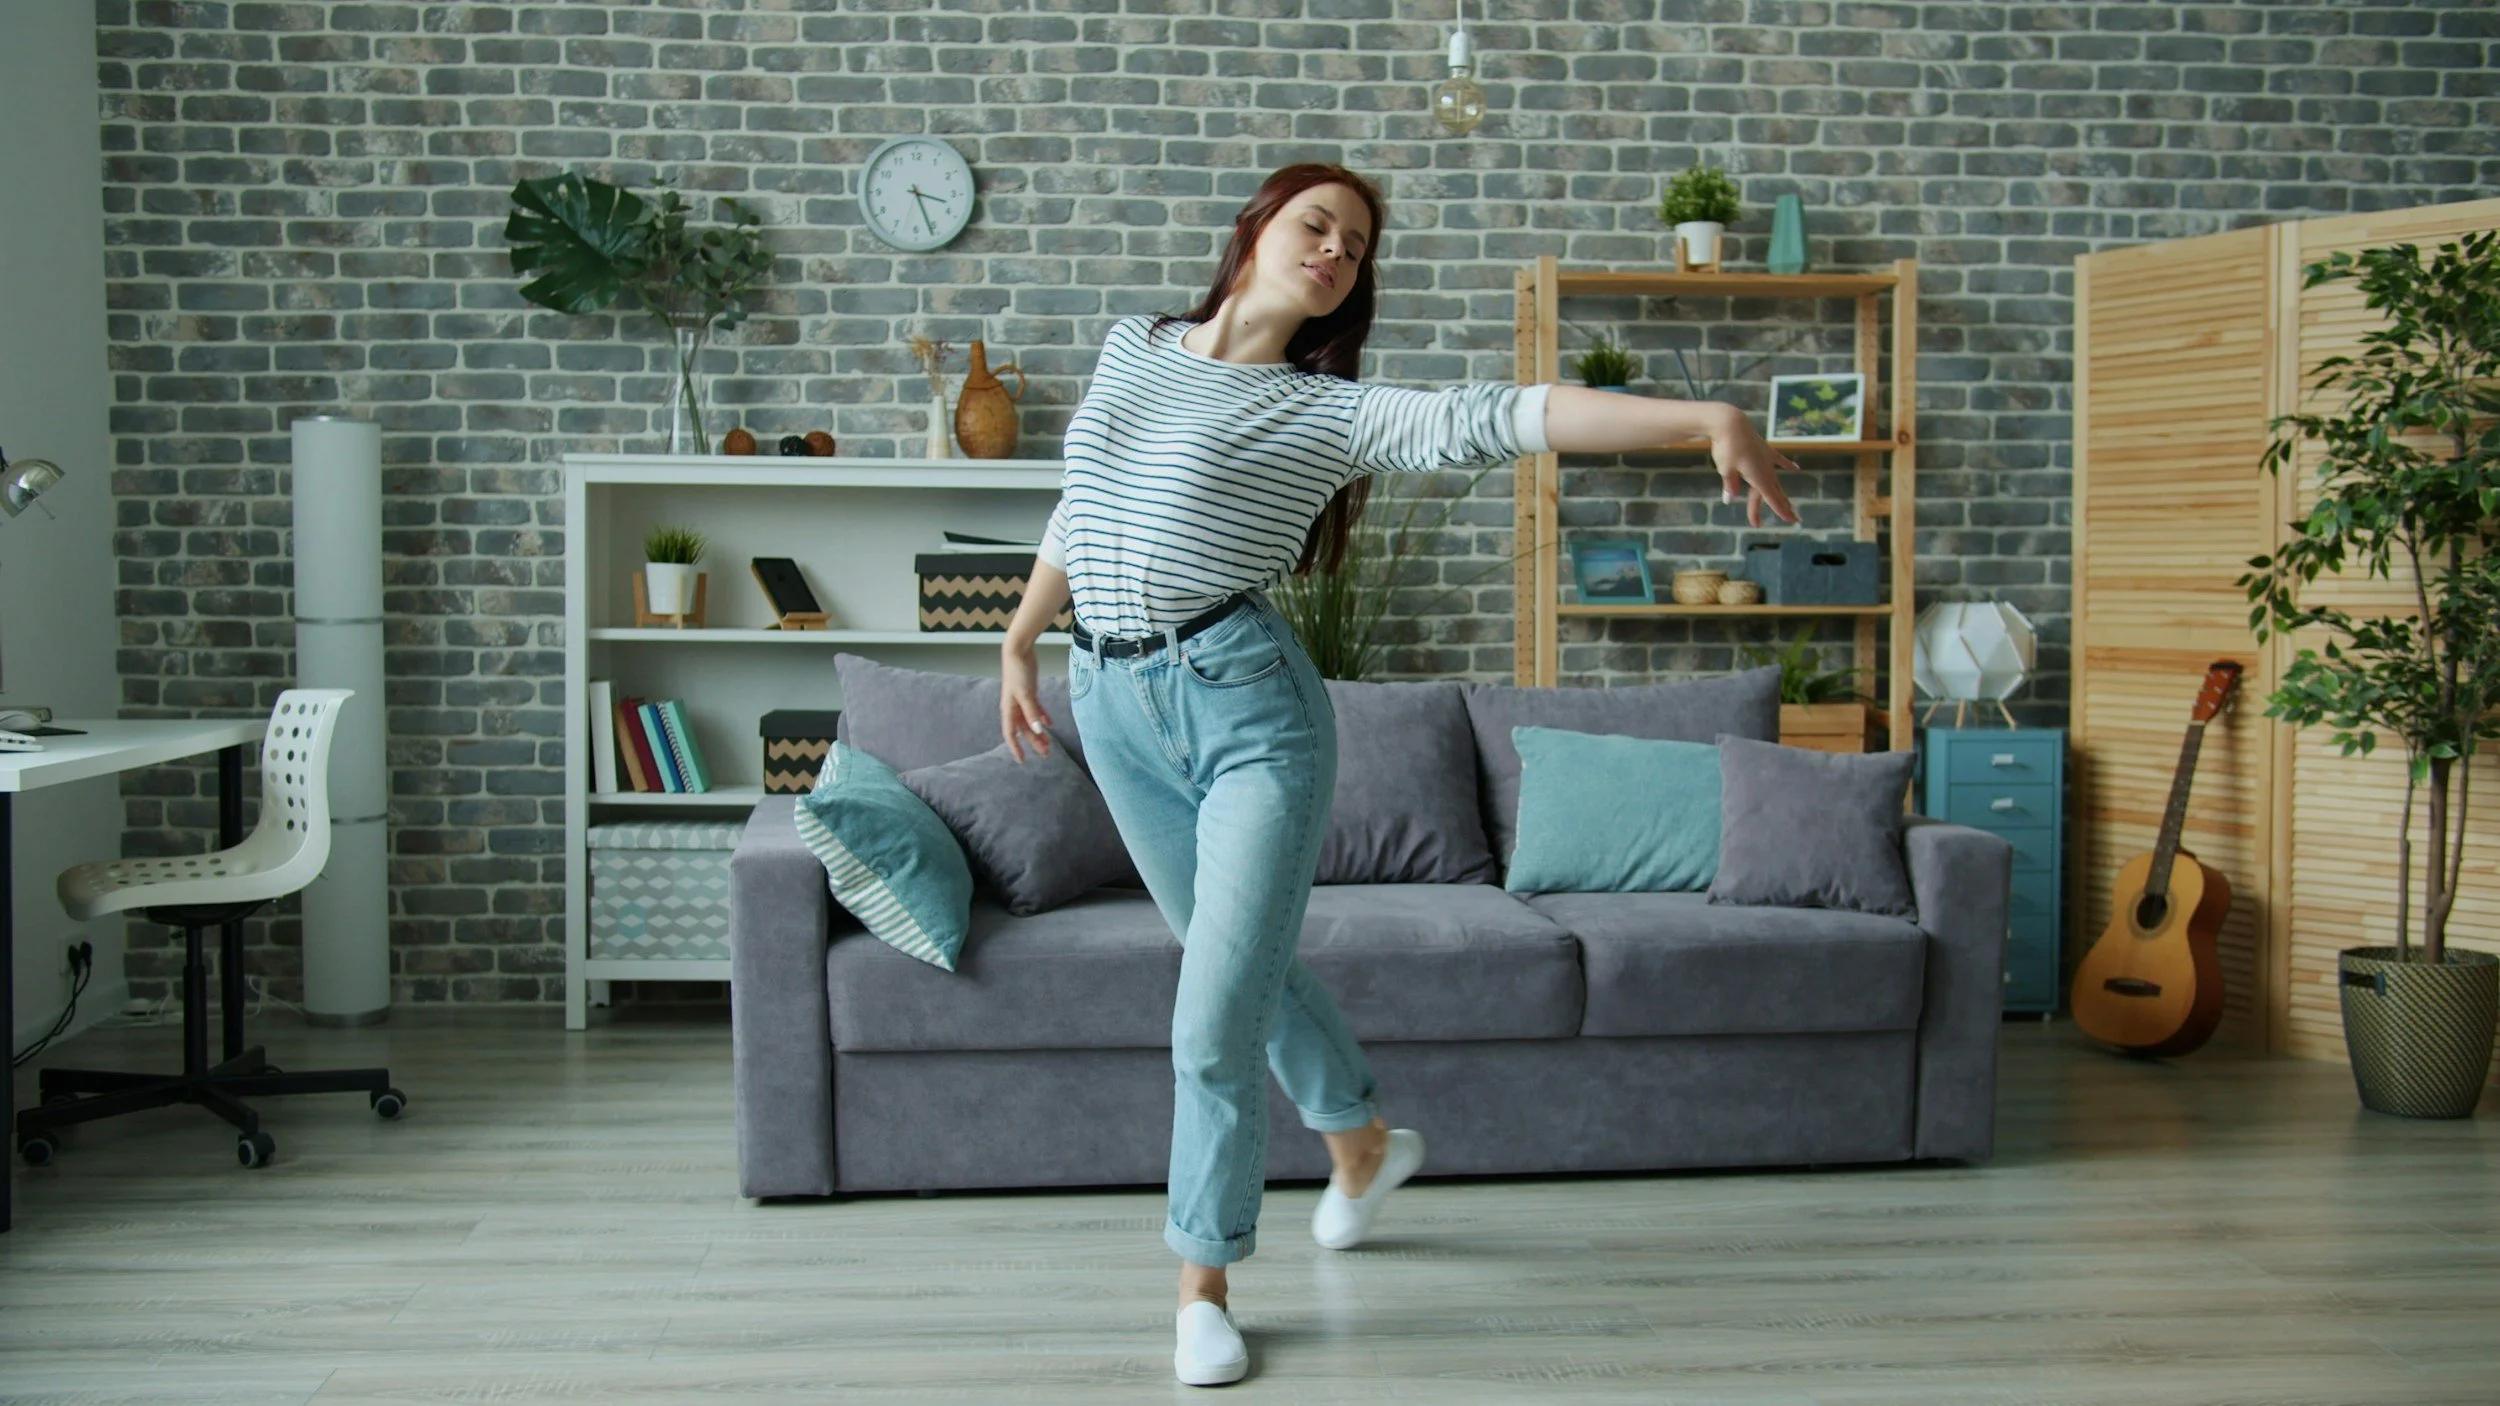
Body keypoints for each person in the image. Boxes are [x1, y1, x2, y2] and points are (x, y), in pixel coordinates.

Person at [996, 162, 1799, 1387]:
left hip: (1247, 708)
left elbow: (1503, 412)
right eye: (1315, 223)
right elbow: (1082, 499)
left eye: (1356, 246)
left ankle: (1202, 1286)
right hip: (1110, 703)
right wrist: (1016, 634)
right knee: (1240, 967)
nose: (1334, 250)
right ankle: (1362, 1139)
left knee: (1208, 1018)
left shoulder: (1324, 413)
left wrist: (1702, 421)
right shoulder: (1136, 344)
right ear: (1258, 227)